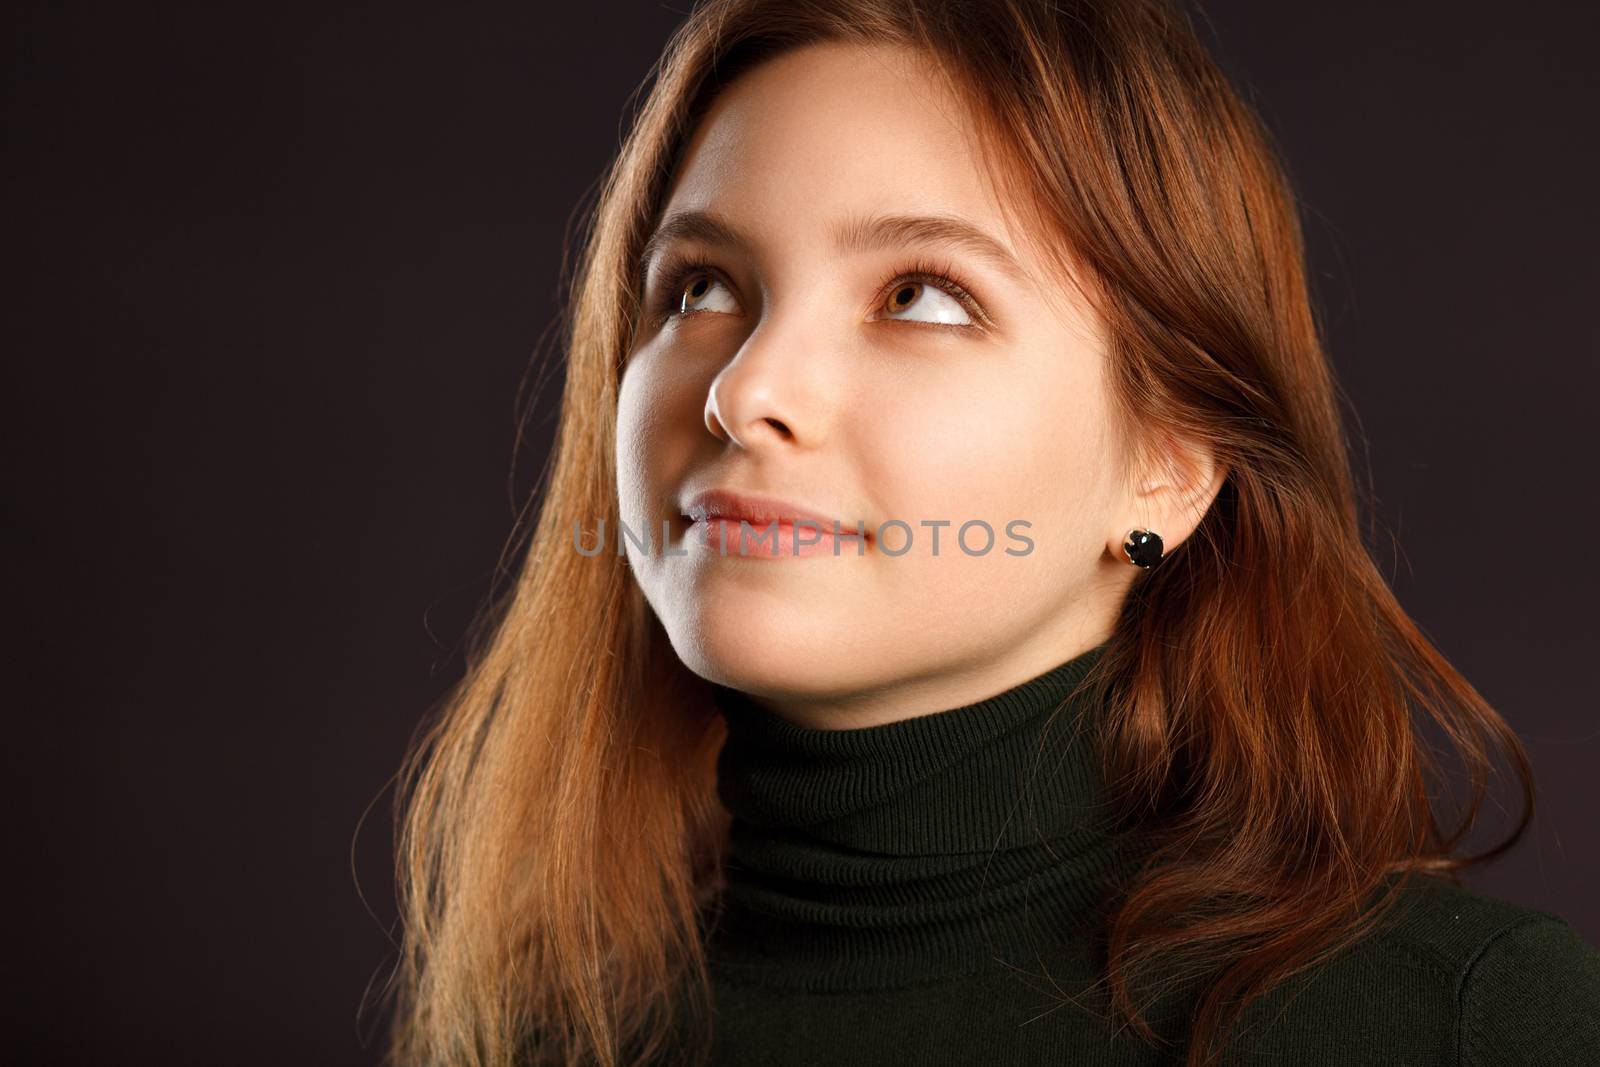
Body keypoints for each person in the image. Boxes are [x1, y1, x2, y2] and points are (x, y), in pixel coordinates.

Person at [383, 1, 1600, 1064]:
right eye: (700, 285)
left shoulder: (1459, 1025)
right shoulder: (530, 1029)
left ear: (1169, 466)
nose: (744, 388)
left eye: (920, 295)